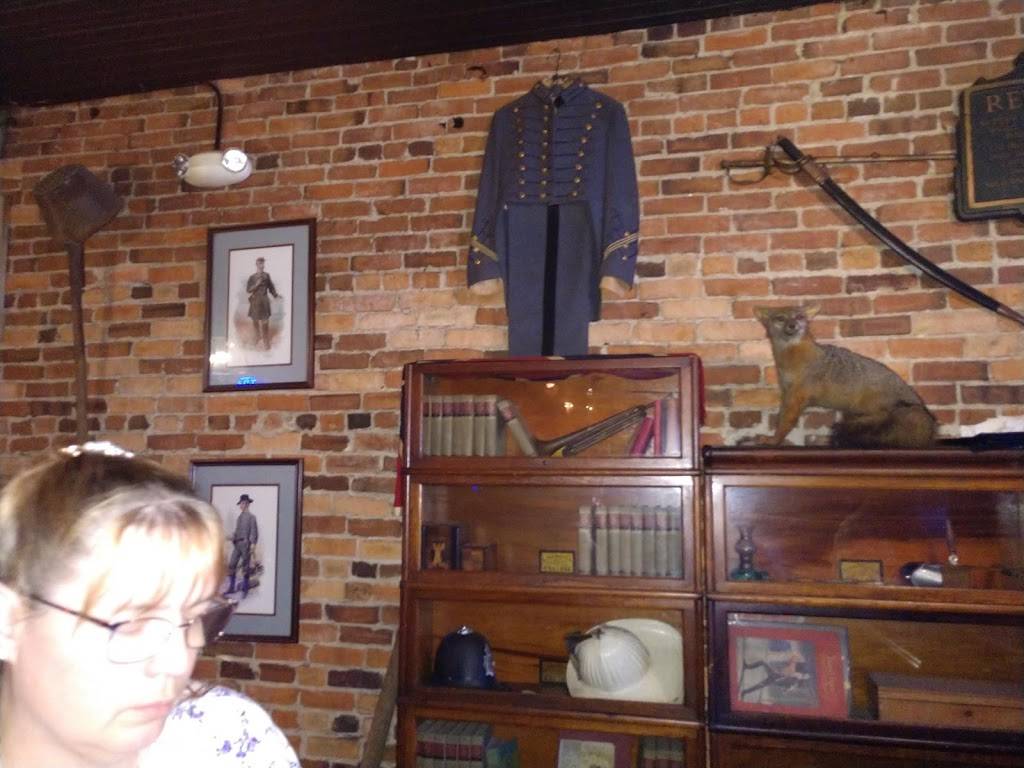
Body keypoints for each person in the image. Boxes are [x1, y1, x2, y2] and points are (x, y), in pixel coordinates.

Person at [0, 441, 299, 768]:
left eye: (195, 617)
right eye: (131, 625)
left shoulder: (232, 739)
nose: (177, 664)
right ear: (8, 621)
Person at [226, 494, 259, 597]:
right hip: (237, 544)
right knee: (232, 564)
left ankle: (245, 588)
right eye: (240, 504)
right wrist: (231, 537)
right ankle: (231, 587)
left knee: (245, 566)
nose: (241, 505)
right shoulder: (239, 518)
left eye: (243, 503)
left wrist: (252, 544)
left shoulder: (252, 517)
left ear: (247, 504)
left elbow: (254, 531)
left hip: (246, 544)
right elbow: (237, 532)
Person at [246, 257, 279, 350]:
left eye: (263, 263)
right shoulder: (252, 277)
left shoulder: (266, 276)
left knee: (265, 321)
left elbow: (271, 287)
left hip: (264, 301)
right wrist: (256, 284)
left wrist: (276, 295)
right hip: (255, 301)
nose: (262, 265)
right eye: (260, 263)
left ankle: (265, 340)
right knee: (255, 321)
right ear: (257, 265)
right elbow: (248, 290)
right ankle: (257, 338)